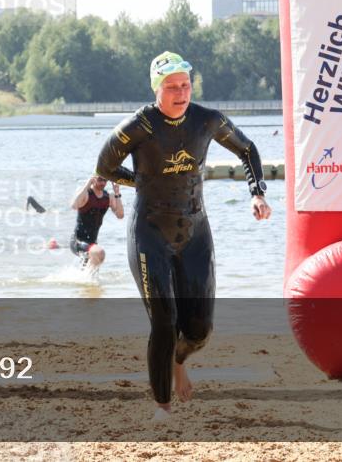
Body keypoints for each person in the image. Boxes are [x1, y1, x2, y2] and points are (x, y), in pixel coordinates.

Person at [94, 51, 271, 422]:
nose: (180, 93)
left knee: (200, 330)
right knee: (163, 319)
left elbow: (247, 149)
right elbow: (105, 165)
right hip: (150, 231)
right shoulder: (138, 125)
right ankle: (162, 405)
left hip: (194, 230)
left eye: (185, 85)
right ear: (157, 90)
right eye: (172, 87)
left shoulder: (207, 120)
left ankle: (179, 360)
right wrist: (140, 180)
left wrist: (257, 193)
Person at [69, 174, 123, 270]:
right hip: (78, 241)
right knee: (99, 253)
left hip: (93, 243)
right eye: (100, 180)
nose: (103, 183)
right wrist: (87, 185)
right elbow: (74, 205)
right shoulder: (86, 194)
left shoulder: (108, 197)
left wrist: (117, 194)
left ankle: (84, 281)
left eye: (105, 180)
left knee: (91, 274)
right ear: (93, 179)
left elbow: (120, 215)